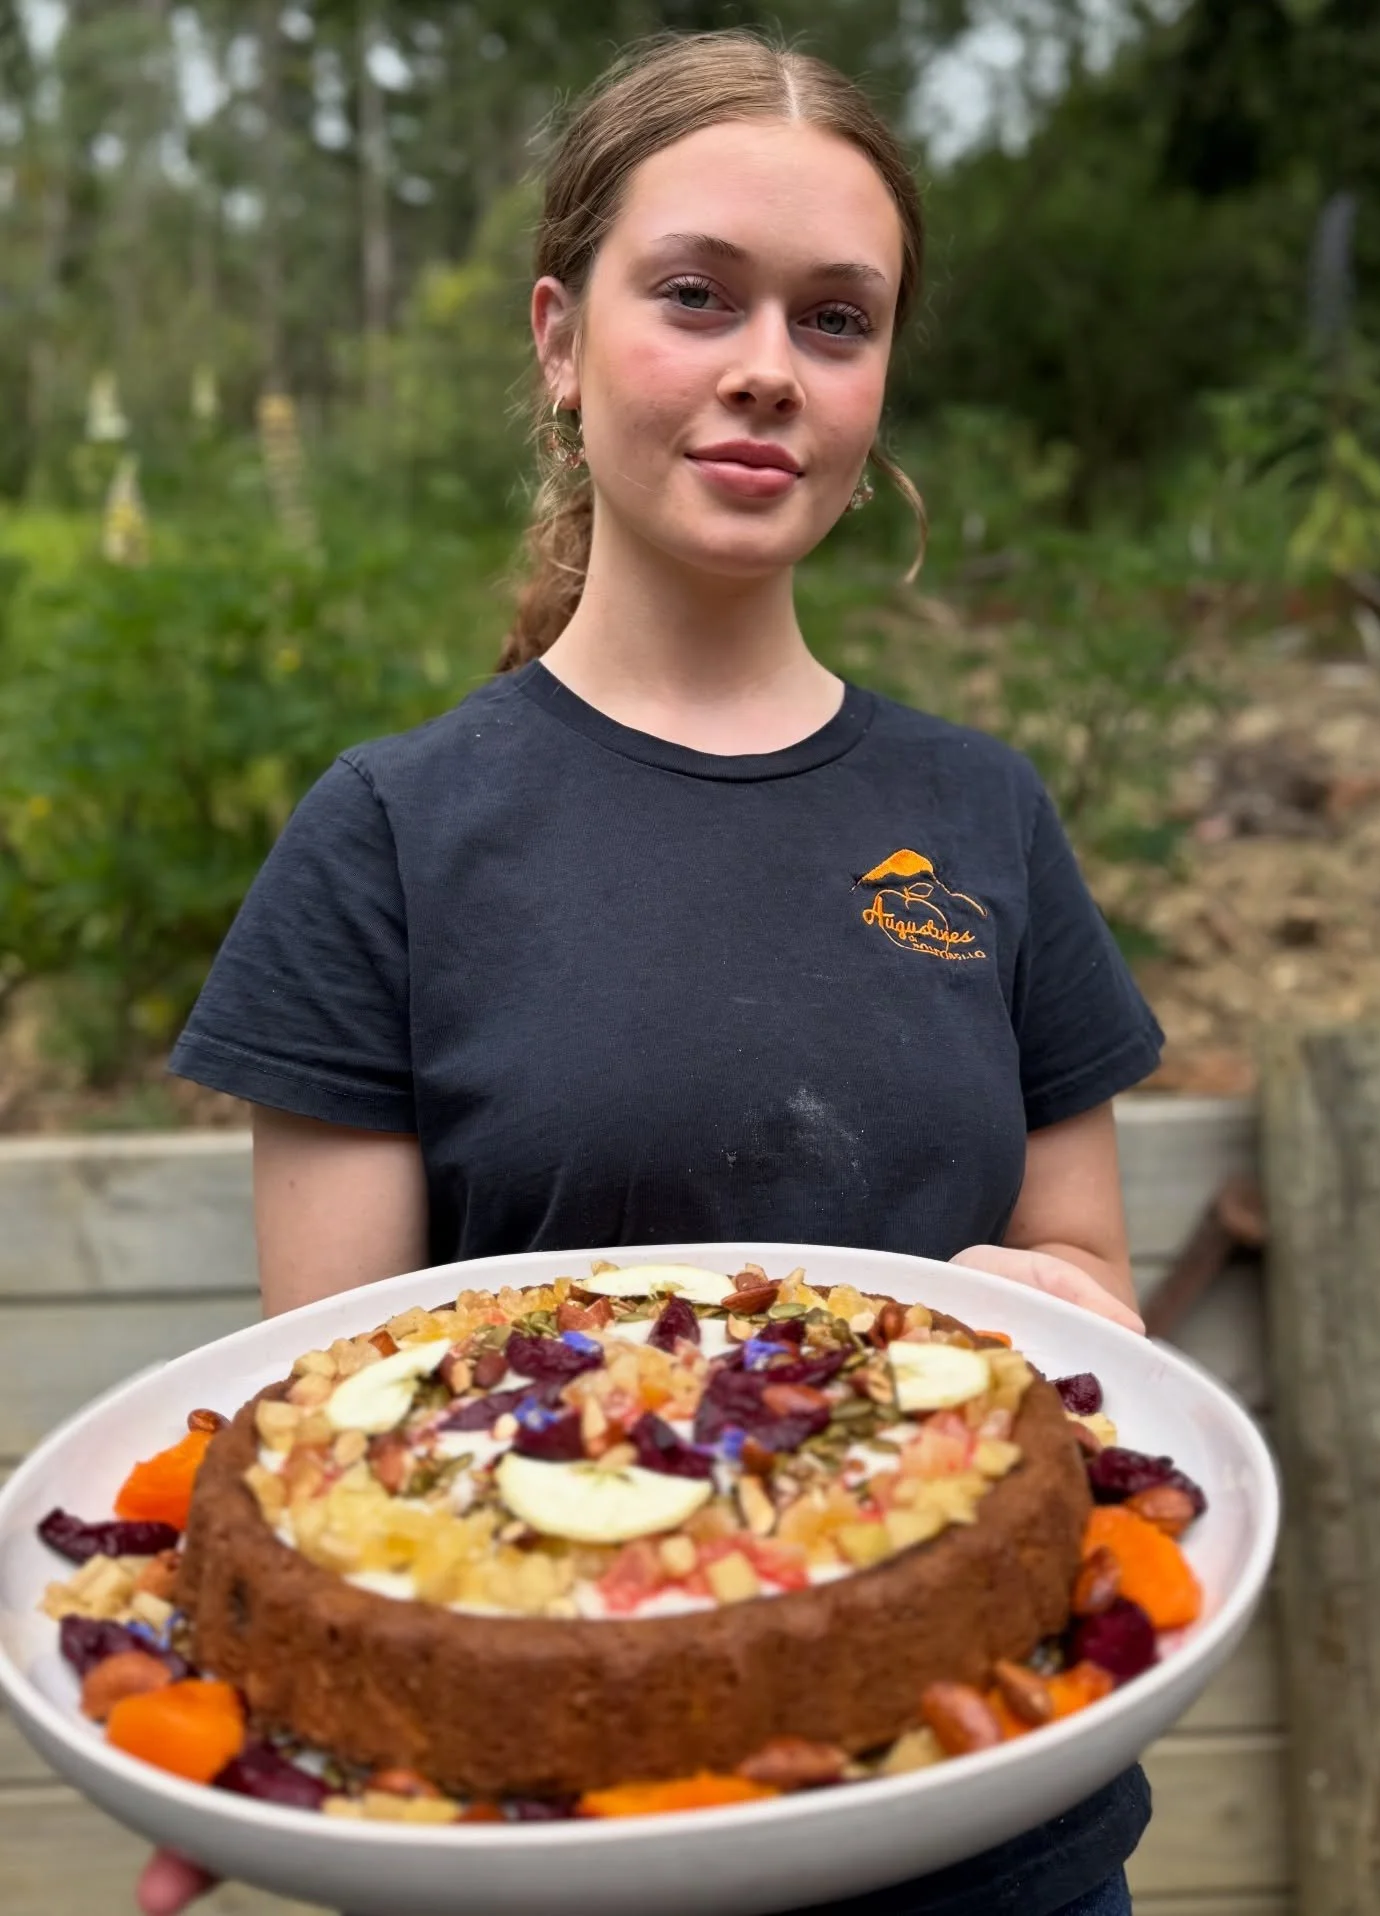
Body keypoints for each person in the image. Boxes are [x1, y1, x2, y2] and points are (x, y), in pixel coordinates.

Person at [143, 28, 1162, 1916]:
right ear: (558, 336)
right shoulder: (388, 834)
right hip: (556, 1849)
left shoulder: (982, 813)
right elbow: (334, 1414)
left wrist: (1075, 1303)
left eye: (835, 321)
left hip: (996, 1830)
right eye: (694, 297)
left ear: (875, 384)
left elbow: (1090, 1271)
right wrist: (274, 1710)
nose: (766, 366)